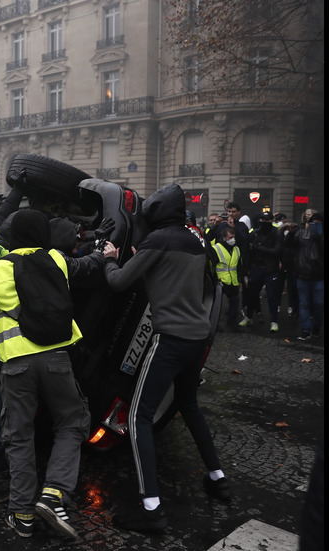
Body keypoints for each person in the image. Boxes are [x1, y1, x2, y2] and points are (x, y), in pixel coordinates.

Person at [0, 209, 104, 539]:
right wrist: (103, 251)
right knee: (72, 422)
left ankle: (22, 513)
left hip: (15, 365)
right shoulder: (56, 259)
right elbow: (88, 266)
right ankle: (54, 493)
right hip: (58, 359)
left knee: (18, 435)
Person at [102, 183, 231, 533]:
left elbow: (118, 282)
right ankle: (218, 479)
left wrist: (111, 259)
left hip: (170, 339)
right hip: (196, 336)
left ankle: (151, 508)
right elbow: (175, 275)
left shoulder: (156, 240)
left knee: (139, 417)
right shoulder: (196, 239)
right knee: (189, 405)